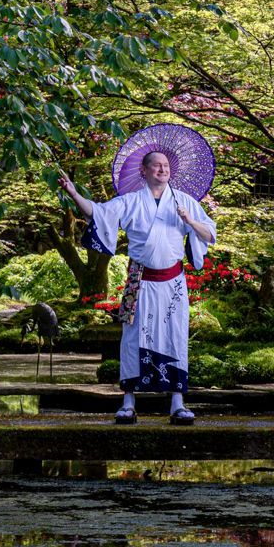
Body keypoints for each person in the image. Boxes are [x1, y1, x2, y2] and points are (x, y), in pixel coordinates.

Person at [59, 151, 216, 424]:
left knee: (175, 334)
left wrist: (189, 220)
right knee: (133, 338)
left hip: (173, 283)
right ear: (144, 171)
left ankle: (177, 402)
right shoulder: (131, 201)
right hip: (140, 280)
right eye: (156, 165)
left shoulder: (184, 202)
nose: (162, 170)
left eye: (166, 166)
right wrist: (73, 193)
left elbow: (210, 234)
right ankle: (128, 402)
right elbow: (97, 211)